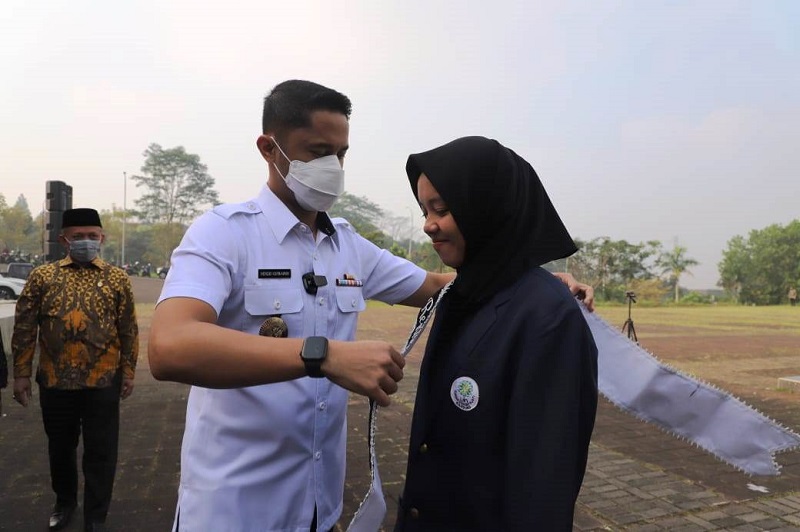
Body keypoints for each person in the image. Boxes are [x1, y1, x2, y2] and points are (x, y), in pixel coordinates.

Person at [147, 80, 594, 531]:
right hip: (234, 509)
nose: (332, 167)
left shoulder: (348, 246)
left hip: (320, 510)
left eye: (340, 154)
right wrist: (322, 356)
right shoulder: (224, 233)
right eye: (317, 151)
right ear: (269, 149)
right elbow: (170, 346)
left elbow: (443, 285)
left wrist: (537, 282)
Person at [395, 136, 598, 531]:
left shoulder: (547, 317)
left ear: (488, 207)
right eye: (424, 210)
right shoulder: (460, 293)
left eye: (443, 208)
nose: (428, 225)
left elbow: (542, 484)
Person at [12, 208, 139, 532]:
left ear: (102, 238)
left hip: (103, 381)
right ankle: (64, 502)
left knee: (101, 451)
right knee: (60, 449)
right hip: (55, 381)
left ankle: (96, 515)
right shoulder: (43, 277)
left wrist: (129, 370)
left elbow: (128, 329)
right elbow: (25, 328)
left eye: (92, 236)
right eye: (78, 237)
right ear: (63, 239)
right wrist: (22, 374)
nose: (85, 242)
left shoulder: (116, 278)